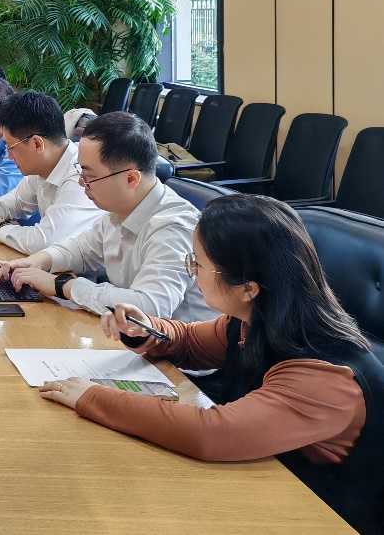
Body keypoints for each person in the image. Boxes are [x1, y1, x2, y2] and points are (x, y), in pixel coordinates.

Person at [39, 194, 384, 535]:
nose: (190, 271)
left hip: (320, 514)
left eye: (198, 264)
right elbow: (189, 342)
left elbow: (211, 433)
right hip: (261, 479)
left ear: (247, 288)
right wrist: (144, 328)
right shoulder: (258, 318)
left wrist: (92, 397)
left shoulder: (324, 377)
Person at [0, 111, 214, 322]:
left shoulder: (173, 227)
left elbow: (149, 307)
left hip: (174, 349)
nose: (81, 183)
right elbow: (80, 249)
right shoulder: (120, 210)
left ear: (131, 179)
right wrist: (32, 263)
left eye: (89, 176)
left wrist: (62, 286)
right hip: (129, 337)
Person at [0, 90, 101, 254]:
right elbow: (16, 201)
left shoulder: (80, 177)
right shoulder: (42, 165)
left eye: (11, 148)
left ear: (37, 144)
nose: (9, 157)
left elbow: (44, 241)